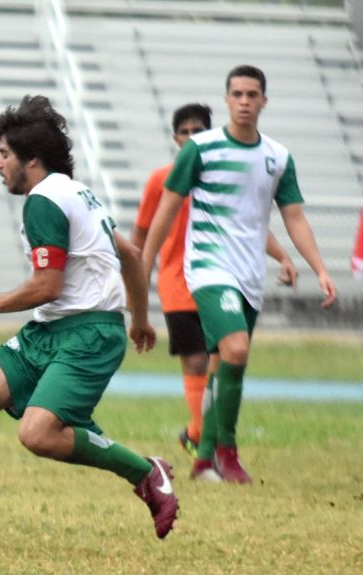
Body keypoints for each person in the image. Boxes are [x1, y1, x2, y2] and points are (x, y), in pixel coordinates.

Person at [0, 95, 177, 549]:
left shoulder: (45, 201)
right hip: (51, 330)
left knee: (38, 434)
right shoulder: (77, 192)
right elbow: (129, 255)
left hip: (87, 335)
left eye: (4, 154)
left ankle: (146, 472)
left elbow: (48, 285)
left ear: (31, 160)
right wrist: (141, 319)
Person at [141, 65, 337, 484]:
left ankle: (203, 459)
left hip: (250, 274)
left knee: (223, 361)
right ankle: (227, 453)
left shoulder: (277, 157)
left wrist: (318, 268)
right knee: (235, 347)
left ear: (264, 100)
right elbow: (166, 211)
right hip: (209, 269)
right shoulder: (201, 149)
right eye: (237, 94)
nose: (244, 101)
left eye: (252, 94)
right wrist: (143, 266)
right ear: (227, 99)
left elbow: (294, 216)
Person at [132, 103, 297, 459]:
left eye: (198, 131)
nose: (191, 137)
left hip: (222, 281)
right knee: (195, 361)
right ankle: (201, 437)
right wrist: (137, 275)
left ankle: (201, 437)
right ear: (175, 138)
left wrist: (283, 256)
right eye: (184, 132)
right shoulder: (161, 180)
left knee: (218, 364)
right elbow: (143, 231)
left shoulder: (224, 174)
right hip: (177, 285)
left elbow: (249, 226)